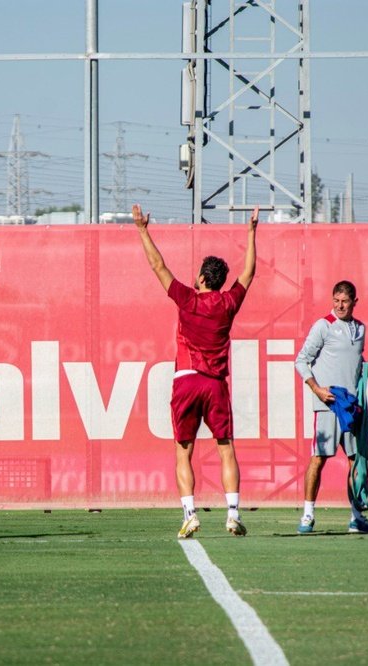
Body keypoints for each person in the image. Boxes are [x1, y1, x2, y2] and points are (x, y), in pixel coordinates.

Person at [133, 203, 258, 539]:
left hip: (187, 381)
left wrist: (143, 230)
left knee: (183, 451)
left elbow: (158, 265)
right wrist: (251, 233)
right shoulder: (229, 303)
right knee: (225, 447)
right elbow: (249, 274)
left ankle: (190, 514)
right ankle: (233, 515)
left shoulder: (187, 299)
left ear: (203, 278)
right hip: (216, 385)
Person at [294, 280, 368, 535]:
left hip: (352, 407)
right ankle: (308, 515)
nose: (340, 306)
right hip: (328, 405)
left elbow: (353, 362)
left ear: (354, 302)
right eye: (337, 300)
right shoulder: (323, 326)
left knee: (356, 461)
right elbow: (301, 361)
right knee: (319, 459)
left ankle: (356, 517)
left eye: (345, 301)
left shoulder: (360, 329)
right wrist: (317, 390)